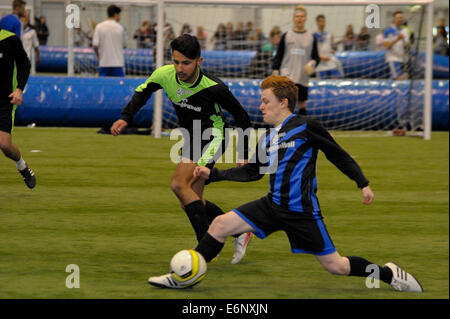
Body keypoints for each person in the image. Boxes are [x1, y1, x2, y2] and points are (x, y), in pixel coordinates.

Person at [148, 75, 424, 293]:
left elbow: (336, 153)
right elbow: (253, 172)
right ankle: (185, 275)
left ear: (283, 103)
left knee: (336, 266)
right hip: (271, 205)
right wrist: (214, 175)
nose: (261, 106)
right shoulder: (268, 138)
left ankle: (388, 273)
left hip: (301, 212)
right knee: (219, 225)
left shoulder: (306, 126)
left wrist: (362, 182)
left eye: (265, 101)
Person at [110, 34, 253, 264]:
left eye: (186, 63)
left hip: (214, 136)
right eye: (176, 62)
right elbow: (143, 91)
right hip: (191, 137)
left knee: (178, 184)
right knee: (191, 198)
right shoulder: (164, 74)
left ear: (200, 61)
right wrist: (126, 117)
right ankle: (239, 230)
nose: (179, 68)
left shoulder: (214, 87)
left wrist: (244, 153)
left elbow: (242, 116)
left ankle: (207, 248)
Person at [0, 27, 36, 189]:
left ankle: (22, 166)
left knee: (5, 146)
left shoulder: (10, 40)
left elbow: (24, 64)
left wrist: (19, 89)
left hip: (4, 101)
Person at [272, 5, 320, 116]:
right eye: (297, 16)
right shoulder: (286, 35)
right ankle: (285, 130)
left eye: (302, 16)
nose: (299, 18)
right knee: (285, 104)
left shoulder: (311, 37)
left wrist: (313, 64)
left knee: (302, 104)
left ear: (305, 19)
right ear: (293, 18)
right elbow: (279, 55)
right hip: (287, 76)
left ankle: (302, 130)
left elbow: (316, 57)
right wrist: (275, 69)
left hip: (302, 76)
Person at [92, 5, 126, 77]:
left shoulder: (99, 27)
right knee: (119, 86)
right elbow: (124, 45)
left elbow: (95, 45)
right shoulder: (120, 28)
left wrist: (99, 56)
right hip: (118, 64)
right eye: (119, 15)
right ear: (116, 14)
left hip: (104, 63)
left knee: (102, 86)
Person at [313, 14, 343, 79]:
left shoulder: (329, 34)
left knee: (336, 81)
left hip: (330, 62)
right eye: (320, 21)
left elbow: (333, 45)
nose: (322, 23)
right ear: (317, 22)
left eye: (323, 21)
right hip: (320, 65)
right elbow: (312, 52)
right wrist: (320, 57)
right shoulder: (313, 36)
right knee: (322, 84)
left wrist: (333, 50)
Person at [383, 11, 410, 80]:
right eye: (398, 18)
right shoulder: (387, 30)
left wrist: (403, 39)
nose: (400, 19)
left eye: (401, 18)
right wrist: (397, 39)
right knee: (399, 78)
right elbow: (386, 45)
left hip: (402, 59)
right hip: (393, 58)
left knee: (395, 79)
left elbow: (407, 45)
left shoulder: (405, 31)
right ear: (394, 19)